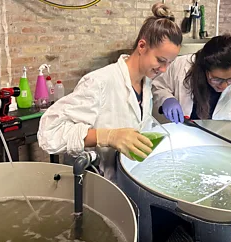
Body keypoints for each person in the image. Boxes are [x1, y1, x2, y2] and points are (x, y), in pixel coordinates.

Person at [38, 3, 182, 181]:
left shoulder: (146, 85)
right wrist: (107, 136)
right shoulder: (100, 82)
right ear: (142, 46)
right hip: (96, 185)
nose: (164, 70)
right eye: (160, 60)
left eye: (169, 63)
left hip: (126, 180)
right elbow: (49, 132)